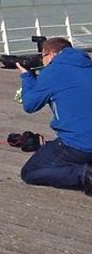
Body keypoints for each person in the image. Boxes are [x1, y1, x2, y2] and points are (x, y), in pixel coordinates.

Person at [16, 37, 92, 195]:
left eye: (42, 57)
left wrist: (27, 77)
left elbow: (30, 105)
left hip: (78, 147)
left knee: (30, 172)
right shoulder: (88, 65)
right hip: (83, 140)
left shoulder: (52, 72)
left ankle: (84, 175)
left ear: (50, 54)